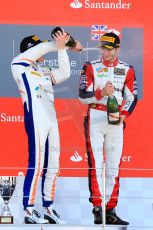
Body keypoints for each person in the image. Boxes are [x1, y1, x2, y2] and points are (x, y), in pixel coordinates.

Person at [11, 29, 83, 224]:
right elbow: (42, 48)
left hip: (51, 120)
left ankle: (48, 207)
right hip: (36, 118)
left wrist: (62, 50)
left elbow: (66, 73)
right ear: (30, 51)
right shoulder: (19, 66)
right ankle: (28, 209)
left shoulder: (44, 70)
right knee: (37, 163)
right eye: (38, 50)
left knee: (53, 163)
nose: (42, 53)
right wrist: (62, 43)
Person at [79, 32, 137, 225]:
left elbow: (132, 98)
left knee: (113, 166)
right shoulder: (90, 67)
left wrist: (124, 114)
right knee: (95, 164)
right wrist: (101, 92)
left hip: (116, 120)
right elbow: (82, 96)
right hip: (95, 116)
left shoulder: (127, 70)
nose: (105, 51)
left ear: (117, 49)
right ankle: (97, 209)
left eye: (109, 48)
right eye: (102, 47)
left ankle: (110, 209)